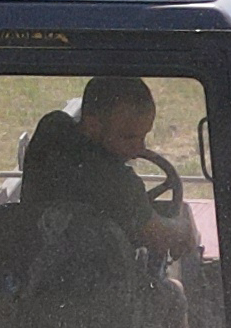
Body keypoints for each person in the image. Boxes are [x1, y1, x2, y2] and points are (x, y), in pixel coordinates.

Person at [20, 74, 189, 257]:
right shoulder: (120, 185)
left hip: (32, 264)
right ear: (93, 125)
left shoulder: (51, 131)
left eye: (143, 136)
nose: (140, 148)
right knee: (174, 287)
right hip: (95, 278)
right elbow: (161, 237)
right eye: (128, 137)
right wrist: (183, 229)